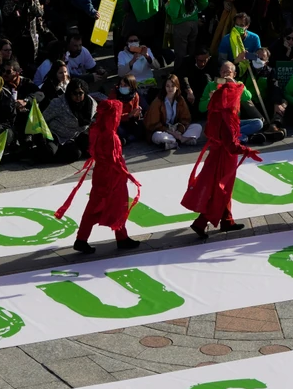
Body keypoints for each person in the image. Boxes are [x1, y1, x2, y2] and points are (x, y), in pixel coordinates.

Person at [55, 100, 142, 254]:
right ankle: (121, 238)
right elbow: (114, 160)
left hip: (100, 174)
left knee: (94, 208)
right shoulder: (111, 137)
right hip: (113, 176)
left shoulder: (97, 129)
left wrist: (128, 115)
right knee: (119, 205)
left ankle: (82, 239)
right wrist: (125, 174)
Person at [181, 81, 262, 239]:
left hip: (217, 155)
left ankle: (226, 220)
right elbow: (231, 145)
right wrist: (247, 150)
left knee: (221, 190)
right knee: (220, 190)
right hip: (224, 158)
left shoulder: (216, 112)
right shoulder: (226, 117)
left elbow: (209, 132)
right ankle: (201, 222)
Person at [144, 74, 202, 149]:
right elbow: (153, 124)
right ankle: (181, 140)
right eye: (167, 86)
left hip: (176, 130)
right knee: (160, 137)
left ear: (177, 87)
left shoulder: (180, 100)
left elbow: (185, 119)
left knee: (197, 127)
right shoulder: (158, 101)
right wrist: (169, 131)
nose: (170, 88)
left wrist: (179, 131)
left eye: (173, 86)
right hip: (163, 131)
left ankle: (173, 142)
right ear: (165, 87)